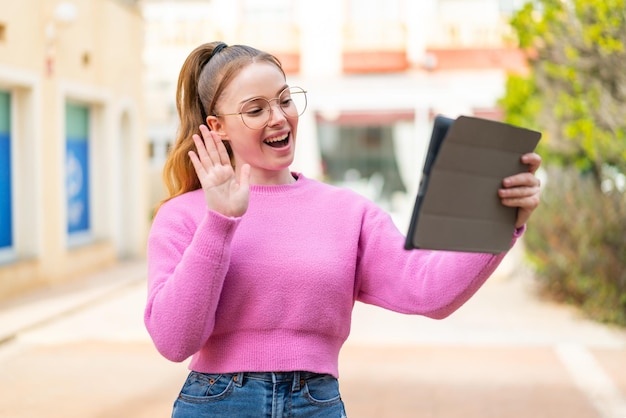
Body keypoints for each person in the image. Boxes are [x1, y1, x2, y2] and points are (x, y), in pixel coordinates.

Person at [144, 41, 543, 418]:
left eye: (285, 100)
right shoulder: (184, 216)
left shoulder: (347, 211)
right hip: (218, 405)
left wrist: (505, 219)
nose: (279, 117)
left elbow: (429, 291)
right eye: (255, 109)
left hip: (315, 404)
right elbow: (175, 341)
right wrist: (220, 221)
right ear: (218, 127)